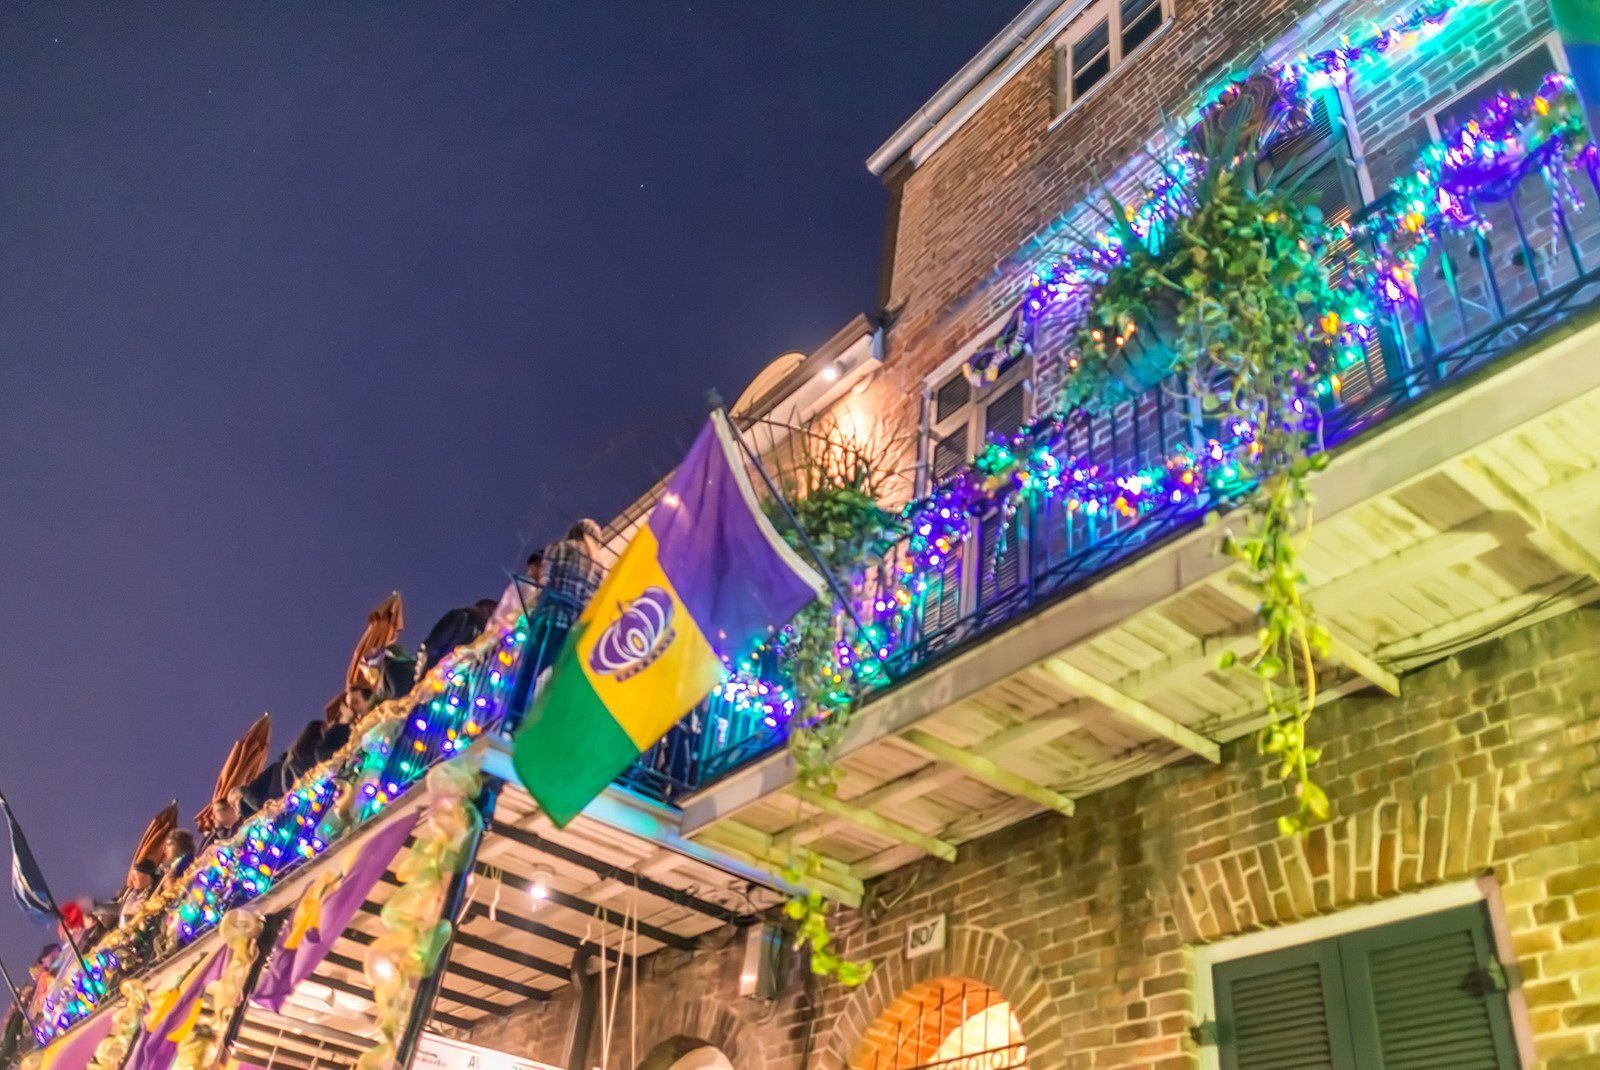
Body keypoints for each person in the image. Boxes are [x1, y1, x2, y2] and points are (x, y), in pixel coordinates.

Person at [414, 600, 495, 679]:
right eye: (490, 612)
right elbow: (436, 643)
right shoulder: (462, 617)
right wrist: (430, 668)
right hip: (437, 671)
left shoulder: (483, 635)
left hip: (448, 675)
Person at [490, 549, 546, 632]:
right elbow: (522, 613)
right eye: (543, 567)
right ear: (532, 568)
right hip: (507, 632)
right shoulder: (527, 586)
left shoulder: (520, 585)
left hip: (501, 632)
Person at [119, 861, 159, 926]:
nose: (133, 879)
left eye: (135, 875)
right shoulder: (133, 892)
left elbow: (141, 909)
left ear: (147, 875)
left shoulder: (155, 891)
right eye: (132, 876)